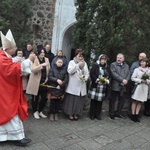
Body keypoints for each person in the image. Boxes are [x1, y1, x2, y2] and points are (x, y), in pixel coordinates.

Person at [0, 29, 35, 146]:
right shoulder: (2, 58)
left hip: (6, 90)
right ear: (9, 48)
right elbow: (10, 70)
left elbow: (11, 65)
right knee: (11, 112)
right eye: (14, 47)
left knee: (10, 113)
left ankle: (9, 136)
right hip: (5, 92)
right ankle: (17, 138)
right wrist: (28, 61)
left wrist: (18, 62)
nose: (16, 49)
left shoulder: (5, 57)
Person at [63, 49, 89, 120]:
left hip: (81, 85)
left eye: (82, 56)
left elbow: (87, 73)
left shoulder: (85, 63)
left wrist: (86, 78)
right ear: (76, 56)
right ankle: (70, 113)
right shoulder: (72, 62)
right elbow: (70, 71)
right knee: (72, 100)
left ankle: (76, 113)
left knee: (78, 101)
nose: (81, 58)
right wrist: (77, 65)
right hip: (73, 86)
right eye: (79, 56)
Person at [26, 48, 50, 119]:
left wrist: (47, 78)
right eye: (41, 52)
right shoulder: (35, 59)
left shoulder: (47, 59)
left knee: (44, 98)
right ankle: (35, 111)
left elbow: (48, 69)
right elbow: (33, 70)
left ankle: (40, 111)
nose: (43, 54)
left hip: (44, 82)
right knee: (35, 98)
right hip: (36, 82)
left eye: (44, 52)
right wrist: (41, 65)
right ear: (38, 53)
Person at [88, 54, 111, 120]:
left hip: (102, 87)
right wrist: (97, 80)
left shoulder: (107, 68)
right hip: (95, 86)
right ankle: (92, 114)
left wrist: (106, 81)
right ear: (99, 59)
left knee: (100, 102)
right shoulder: (95, 66)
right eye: (102, 59)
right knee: (93, 101)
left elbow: (109, 76)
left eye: (104, 59)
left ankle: (98, 114)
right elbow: (92, 74)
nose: (103, 61)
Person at [109, 53, 130, 119]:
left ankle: (118, 113)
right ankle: (111, 113)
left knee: (121, 100)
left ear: (123, 59)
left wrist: (126, 80)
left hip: (123, 86)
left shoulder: (126, 66)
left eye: (120, 58)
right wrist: (122, 80)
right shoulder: (113, 65)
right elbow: (113, 74)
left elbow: (129, 74)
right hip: (115, 85)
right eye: (118, 57)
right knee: (113, 100)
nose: (118, 59)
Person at [130, 58, 150, 122]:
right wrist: (140, 80)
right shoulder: (137, 69)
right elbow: (132, 78)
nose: (142, 63)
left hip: (145, 87)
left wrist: (146, 81)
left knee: (140, 102)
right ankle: (133, 114)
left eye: (144, 62)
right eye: (141, 62)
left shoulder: (149, 70)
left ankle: (137, 114)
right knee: (135, 101)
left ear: (147, 63)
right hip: (138, 87)